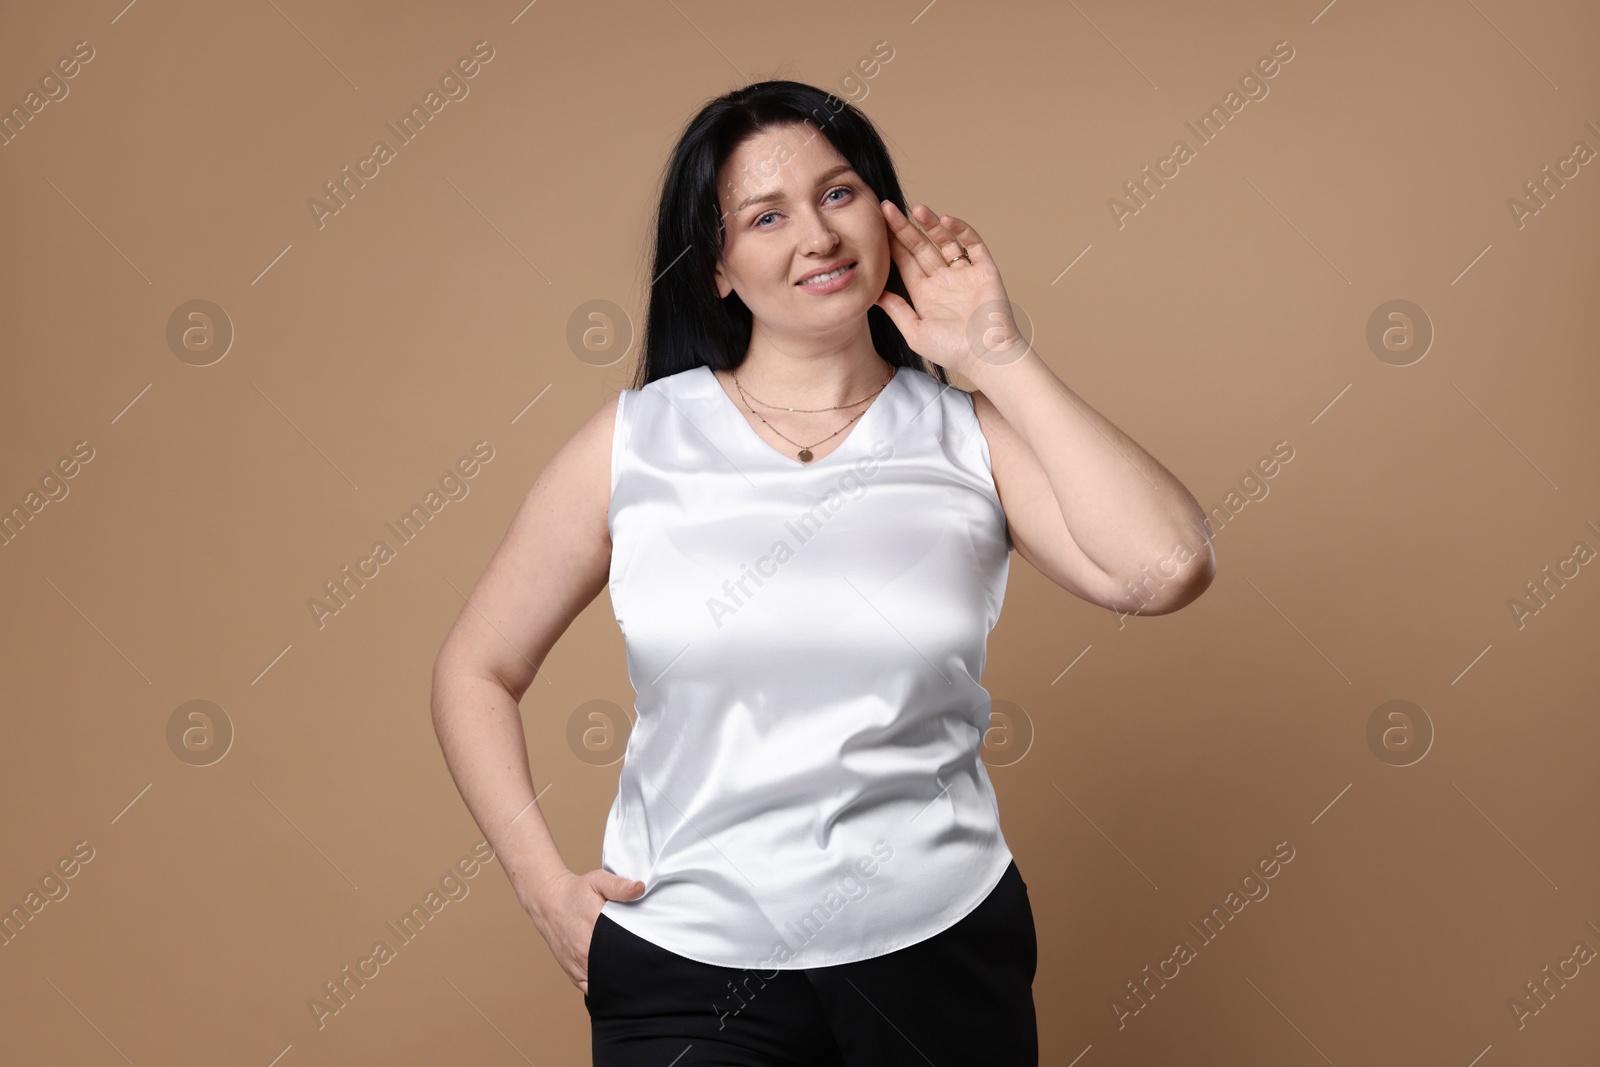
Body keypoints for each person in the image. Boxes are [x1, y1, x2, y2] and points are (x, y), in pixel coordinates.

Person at [431, 80, 1216, 1065]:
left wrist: (996, 354)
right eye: (766, 215)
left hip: (938, 948)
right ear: (717, 267)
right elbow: (476, 669)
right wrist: (543, 885)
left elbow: (1167, 566)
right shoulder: (637, 441)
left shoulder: (964, 435)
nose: (817, 234)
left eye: (839, 194)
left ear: (887, 215)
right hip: (685, 965)